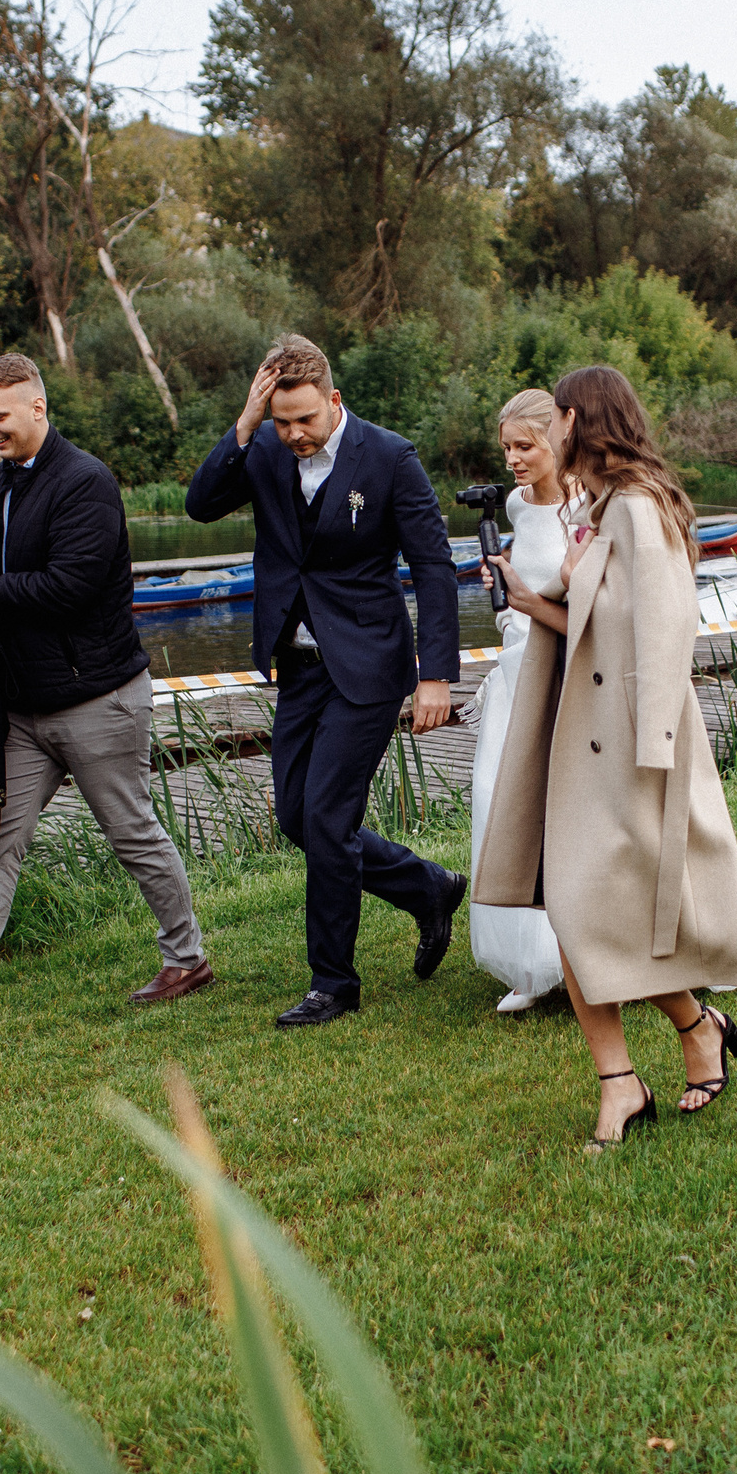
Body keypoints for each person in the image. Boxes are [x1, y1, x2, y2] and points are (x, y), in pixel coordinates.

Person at [476, 364, 737, 1150]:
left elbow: (667, 633)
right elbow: (593, 627)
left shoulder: (639, 508)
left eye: (554, 420)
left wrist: (654, 753)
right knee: (577, 908)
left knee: (596, 910)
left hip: (629, 744)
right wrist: (529, 595)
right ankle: (633, 1071)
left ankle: (685, 1033)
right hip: (581, 732)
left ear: (573, 420)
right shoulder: (604, 507)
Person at [0, 353, 207, 1031]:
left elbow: (70, 589)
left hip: (98, 699)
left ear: (37, 408)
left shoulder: (87, 483)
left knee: (133, 834)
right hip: (22, 711)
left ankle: (187, 957)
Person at [184, 335, 468, 1028]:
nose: (295, 435)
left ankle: (333, 983)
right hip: (298, 665)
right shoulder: (266, 448)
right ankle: (428, 886)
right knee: (296, 817)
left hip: (368, 664)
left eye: (305, 420)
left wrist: (436, 676)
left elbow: (434, 569)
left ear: (334, 401)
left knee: (328, 819)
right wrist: (245, 427)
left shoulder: (390, 458)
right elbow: (199, 504)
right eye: (282, 422)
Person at [464, 389, 575, 1012]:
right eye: (506, 446)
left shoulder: (586, 503)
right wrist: (501, 570)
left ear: (557, 439)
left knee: (560, 811)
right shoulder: (514, 502)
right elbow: (528, 564)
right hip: (514, 667)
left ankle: (583, 950)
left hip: (562, 670)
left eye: (525, 446)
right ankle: (529, 964)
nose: (512, 458)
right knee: (496, 798)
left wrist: (530, 596)